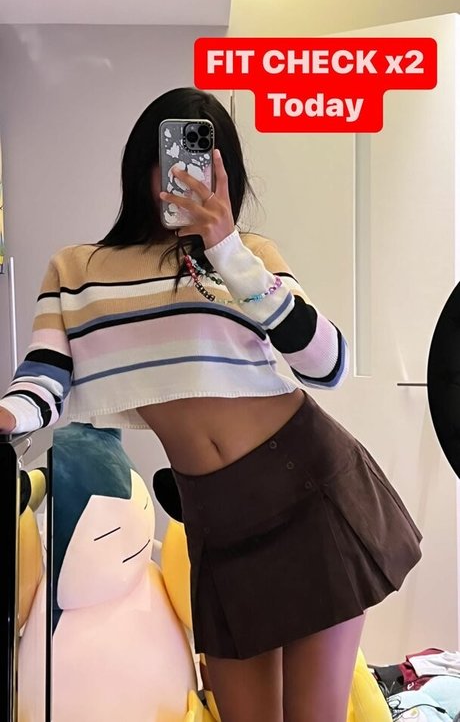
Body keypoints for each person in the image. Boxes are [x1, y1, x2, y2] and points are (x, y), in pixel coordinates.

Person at [0, 87, 421, 722]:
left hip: (309, 492)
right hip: (217, 523)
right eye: (169, 159)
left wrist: (227, 251)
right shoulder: (79, 270)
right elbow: (44, 377)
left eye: (203, 160)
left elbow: (327, 363)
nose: (183, 176)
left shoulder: (250, 257)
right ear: (142, 165)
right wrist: (8, 415)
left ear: (228, 172)